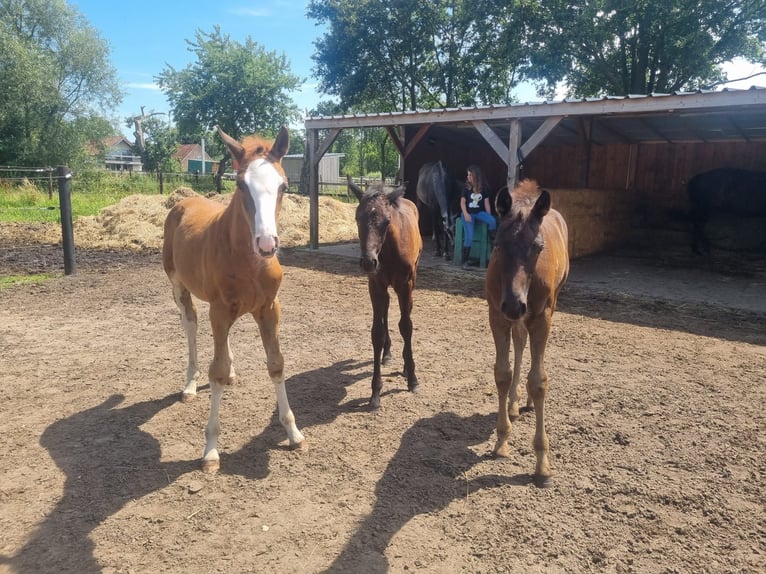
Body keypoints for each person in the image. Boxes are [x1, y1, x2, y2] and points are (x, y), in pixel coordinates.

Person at [459, 164, 496, 267]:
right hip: (468, 213)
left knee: (492, 220)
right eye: (468, 175)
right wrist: (466, 214)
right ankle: (465, 261)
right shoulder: (466, 188)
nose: (468, 177)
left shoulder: (483, 188)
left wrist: (488, 217)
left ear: (475, 176)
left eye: (470, 175)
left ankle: (492, 243)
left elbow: (487, 204)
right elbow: (462, 202)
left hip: (479, 213)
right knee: (469, 236)